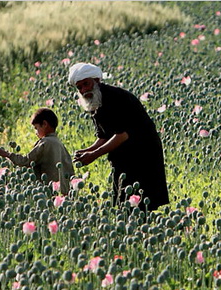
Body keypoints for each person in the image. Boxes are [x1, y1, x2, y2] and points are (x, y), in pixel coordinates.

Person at [68, 62, 169, 211]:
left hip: (142, 152)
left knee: (142, 202)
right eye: (79, 87)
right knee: (124, 201)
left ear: (96, 81)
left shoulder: (114, 98)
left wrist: (94, 154)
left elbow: (121, 135)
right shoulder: (95, 100)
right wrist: (86, 151)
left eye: (86, 84)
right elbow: (103, 135)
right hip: (123, 155)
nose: (83, 90)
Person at [0, 108, 75, 195]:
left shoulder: (45, 143)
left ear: (45, 124)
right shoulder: (59, 143)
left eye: (36, 128)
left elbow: (26, 161)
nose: (35, 132)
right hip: (63, 192)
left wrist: (6, 154)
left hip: (48, 192)